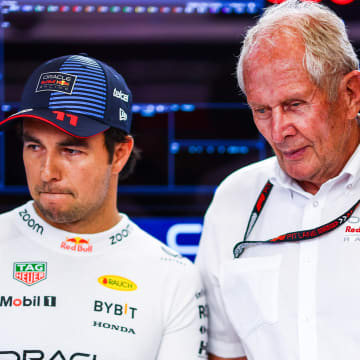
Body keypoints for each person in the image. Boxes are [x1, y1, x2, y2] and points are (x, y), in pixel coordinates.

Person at [0, 54, 208, 359]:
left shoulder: (173, 279)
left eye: (70, 150)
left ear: (120, 153)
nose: (47, 172)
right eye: (35, 146)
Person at [195, 0, 360, 359]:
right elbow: (225, 353)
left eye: (295, 104)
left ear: (350, 94)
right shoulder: (234, 199)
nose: (278, 130)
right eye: (262, 111)